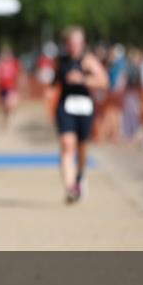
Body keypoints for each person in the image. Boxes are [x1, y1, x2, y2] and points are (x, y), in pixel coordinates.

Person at [50, 26, 109, 203]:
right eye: (70, 44)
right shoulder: (61, 61)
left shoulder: (88, 61)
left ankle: (80, 176)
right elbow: (54, 83)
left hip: (84, 108)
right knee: (67, 144)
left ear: (83, 44)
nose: (73, 47)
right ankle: (70, 188)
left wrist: (83, 79)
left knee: (83, 148)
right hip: (65, 107)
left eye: (77, 44)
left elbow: (104, 82)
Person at [0, 44, 20, 129]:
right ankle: (5, 121)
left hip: (11, 88)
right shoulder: (0, 64)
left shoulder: (14, 63)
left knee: (10, 105)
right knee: (4, 107)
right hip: (2, 88)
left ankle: (9, 121)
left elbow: (18, 75)